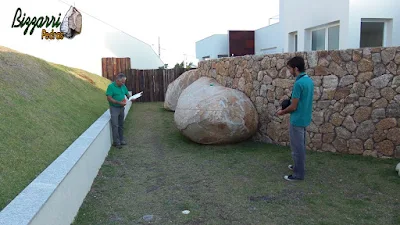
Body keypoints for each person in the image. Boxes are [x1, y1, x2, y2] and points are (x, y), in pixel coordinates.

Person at [277, 56, 314, 181]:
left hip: (297, 120)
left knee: (297, 148)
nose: (289, 71)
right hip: (305, 118)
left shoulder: (299, 84)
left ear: (296, 68)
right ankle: (298, 166)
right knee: (301, 146)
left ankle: (298, 174)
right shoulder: (308, 80)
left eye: (290, 69)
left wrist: (282, 112)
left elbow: (293, 106)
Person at [106, 73, 135, 149]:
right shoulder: (111, 87)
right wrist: (118, 102)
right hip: (114, 108)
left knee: (121, 124)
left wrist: (131, 98)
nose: (123, 83)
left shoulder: (123, 86)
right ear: (117, 80)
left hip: (122, 108)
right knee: (115, 125)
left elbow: (127, 94)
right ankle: (116, 142)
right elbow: (109, 98)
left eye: (124, 82)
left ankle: (121, 139)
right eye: (122, 82)